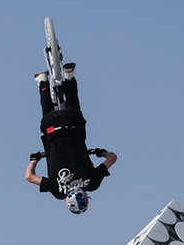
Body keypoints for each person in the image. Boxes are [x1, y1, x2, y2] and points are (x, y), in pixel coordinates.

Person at [24, 63, 116, 214]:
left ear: (85, 197)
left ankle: (69, 76)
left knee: (74, 108)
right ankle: (42, 81)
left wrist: (102, 152)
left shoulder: (92, 182)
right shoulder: (57, 190)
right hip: (52, 129)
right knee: (47, 113)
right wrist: (34, 159)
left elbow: (113, 158)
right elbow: (29, 176)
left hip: (73, 125)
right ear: (68, 200)